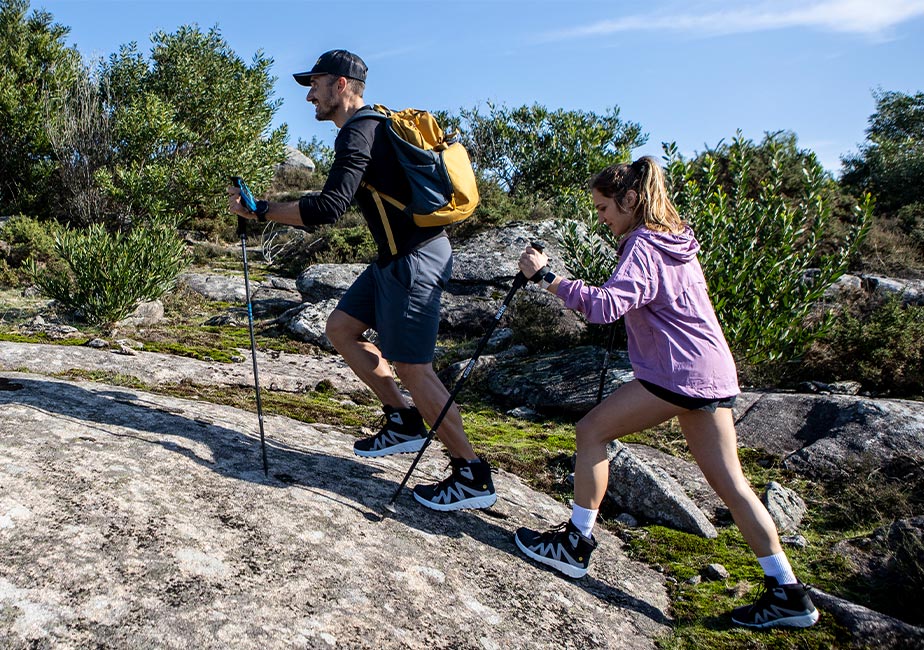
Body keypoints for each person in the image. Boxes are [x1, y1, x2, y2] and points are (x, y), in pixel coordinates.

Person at [512, 156, 819, 629]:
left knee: (591, 431)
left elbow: (607, 307)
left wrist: (547, 277)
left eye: (603, 208)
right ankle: (789, 593)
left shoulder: (642, 245)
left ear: (630, 200)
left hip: (678, 375)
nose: (601, 218)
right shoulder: (676, 242)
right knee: (733, 485)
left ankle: (575, 543)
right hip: (712, 371)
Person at [227, 50, 495, 511]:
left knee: (414, 367)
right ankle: (403, 420)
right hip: (396, 258)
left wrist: (263, 210)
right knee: (341, 328)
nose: (309, 94)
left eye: (315, 83)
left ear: (342, 85)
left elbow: (330, 208)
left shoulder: (358, 132)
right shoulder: (374, 127)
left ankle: (471, 472)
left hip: (413, 259)